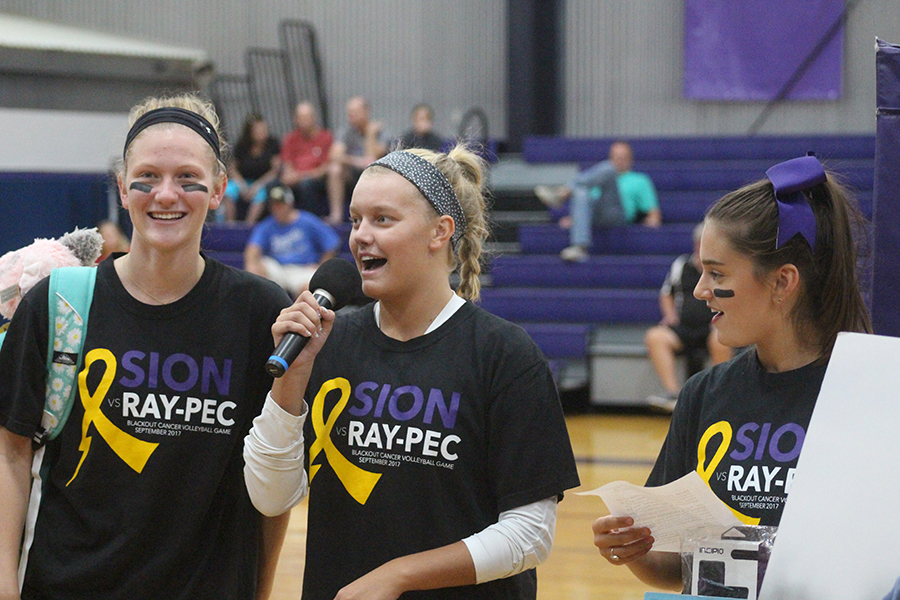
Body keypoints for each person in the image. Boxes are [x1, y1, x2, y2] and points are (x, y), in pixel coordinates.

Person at [243, 146, 581, 599]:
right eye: (356, 219)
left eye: (382, 219)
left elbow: (530, 534)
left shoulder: (505, 355)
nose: (361, 235)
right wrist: (291, 381)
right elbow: (270, 497)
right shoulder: (328, 343)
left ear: (439, 232)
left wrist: (399, 576)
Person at [0, 93, 293, 600]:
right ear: (122, 185)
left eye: (187, 178)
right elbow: (10, 451)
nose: (165, 195)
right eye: (149, 176)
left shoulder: (259, 313)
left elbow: (269, 476)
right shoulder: (61, 302)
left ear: (219, 189)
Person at [590, 155, 872, 591]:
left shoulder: (871, 397)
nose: (701, 290)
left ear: (783, 282)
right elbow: (679, 568)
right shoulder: (704, 393)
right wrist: (636, 549)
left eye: (716, 273)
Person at [644, 222, 731, 412]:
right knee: (655, 336)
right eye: (700, 246)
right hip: (683, 327)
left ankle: (720, 396)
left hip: (712, 327)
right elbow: (667, 293)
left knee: (720, 338)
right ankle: (673, 395)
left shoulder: (724, 268)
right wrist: (669, 315)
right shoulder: (681, 265)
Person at [535, 141, 661, 262]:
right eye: (616, 157)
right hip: (596, 212)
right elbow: (588, 201)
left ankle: (562, 193)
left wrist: (653, 220)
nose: (618, 161)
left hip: (617, 214)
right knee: (581, 191)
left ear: (630, 160)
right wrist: (575, 218)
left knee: (608, 170)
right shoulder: (598, 177)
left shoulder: (640, 180)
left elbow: (653, 211)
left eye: (623, 157)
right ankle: (579, 247)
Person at [243, 184, 341, 297]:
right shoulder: (266, 225)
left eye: (280, 204)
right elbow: (252, 250)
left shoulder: (307, 220)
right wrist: (252, 266)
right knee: (256, 266)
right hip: (279, 269)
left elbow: (331, 243)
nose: (277, 208)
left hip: (302, 269)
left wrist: (320, 266)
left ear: (289, 203)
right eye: (274, 204)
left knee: (310, 287)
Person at [326, 96, 392, 225]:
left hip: (376, 174)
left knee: (370, 166)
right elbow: (334, 155)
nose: (351, 116)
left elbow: (372, 157)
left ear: (366, 112)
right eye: (349, 113)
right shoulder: (345, 131)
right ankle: (336, 215)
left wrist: (370, 134)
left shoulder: (381, 131)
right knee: (335, 169)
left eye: (355, 113)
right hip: (352, 173)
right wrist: (357, 161)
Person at [222, 113, 281, 224]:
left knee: (261, 194)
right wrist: (241, 184)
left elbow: (275, 171)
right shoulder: (241, 146)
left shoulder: (273, 144)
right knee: (228, 190)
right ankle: (230, 223)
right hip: (243, 182)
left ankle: (249, 224)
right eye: (258, 130)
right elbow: (232, 169)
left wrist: (258, 185)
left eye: (264, 129)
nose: (262, 133)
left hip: (263, 183)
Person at [279, 101, 333, 217]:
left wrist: (302, 176)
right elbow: (287, 165)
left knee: (306, 185)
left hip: (317, 179)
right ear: (295, 119)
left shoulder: (325, 137)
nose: (303, 120)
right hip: (295, 179)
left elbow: (326, 167)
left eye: (306, 117)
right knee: (274, 187)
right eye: (300, 117)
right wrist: (289, 175)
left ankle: (312, 220)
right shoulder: (290, 139)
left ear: (314, 118)